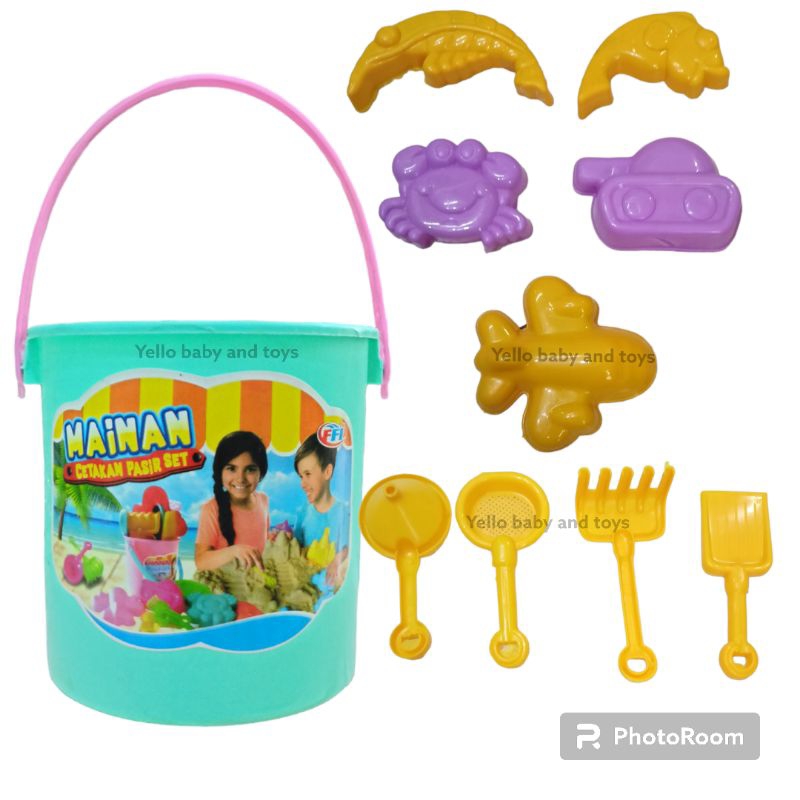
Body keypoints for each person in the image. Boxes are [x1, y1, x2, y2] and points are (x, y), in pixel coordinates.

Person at [195, 431, 269, 571]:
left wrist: (277, 537)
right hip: (225, 582)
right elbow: (201, 561)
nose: (240, 478)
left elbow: (262, 546)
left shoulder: (263, 501)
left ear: (261, 473)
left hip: (256, 581)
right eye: (231, 469)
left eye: (250, 469)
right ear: (220, 472)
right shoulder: (211, 509)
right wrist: (234, 552)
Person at [293, 433, 349, 588]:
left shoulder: (343, 511)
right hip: (306, 586)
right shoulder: (303, 512)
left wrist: (337, 560)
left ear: (327, 472)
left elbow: (348, 547)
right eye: (301, 476)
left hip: (331, 586)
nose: (303, 483)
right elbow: (295, 545)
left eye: (308, 474)